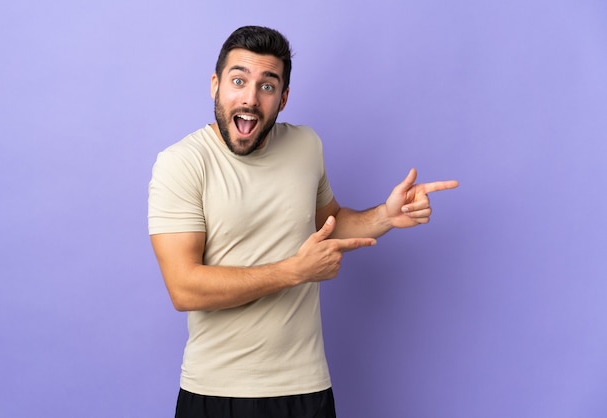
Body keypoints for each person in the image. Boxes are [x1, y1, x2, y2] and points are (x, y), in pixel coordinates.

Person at [148, 25, 459, 418]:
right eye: (238, 80)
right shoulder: (181, 163)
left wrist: (386, 215)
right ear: (215, 85)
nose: (249, 97)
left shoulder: (306, 145)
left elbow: (329, 226)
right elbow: (184, 287)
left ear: (283, 98)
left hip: (307, 389)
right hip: (218, 391)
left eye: (267, 85)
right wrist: (294, 271)